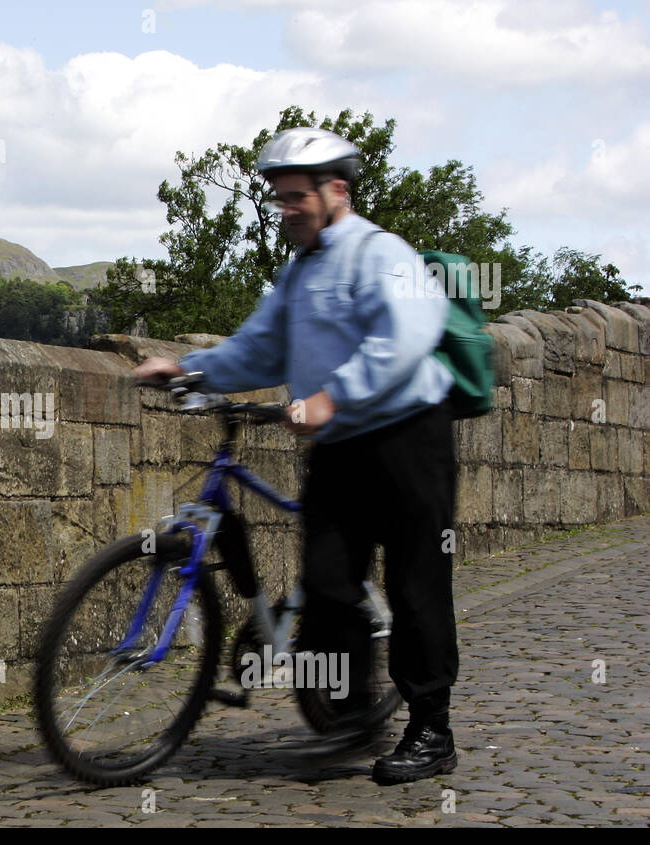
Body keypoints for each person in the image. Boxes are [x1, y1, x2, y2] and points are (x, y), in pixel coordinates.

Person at [133, 126, 460, 785]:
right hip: (339, 450)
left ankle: (432, 731)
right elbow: (260, 347)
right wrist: (191, 372)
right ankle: (349, 715)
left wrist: (334, 398)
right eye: (278, 199)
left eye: (295, 199)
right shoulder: (299, 272)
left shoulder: (379, 253)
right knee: (330, 584)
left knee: (416, 585)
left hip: (406, 438)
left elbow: (406, 336)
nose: (285, 211)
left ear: (335, 190)